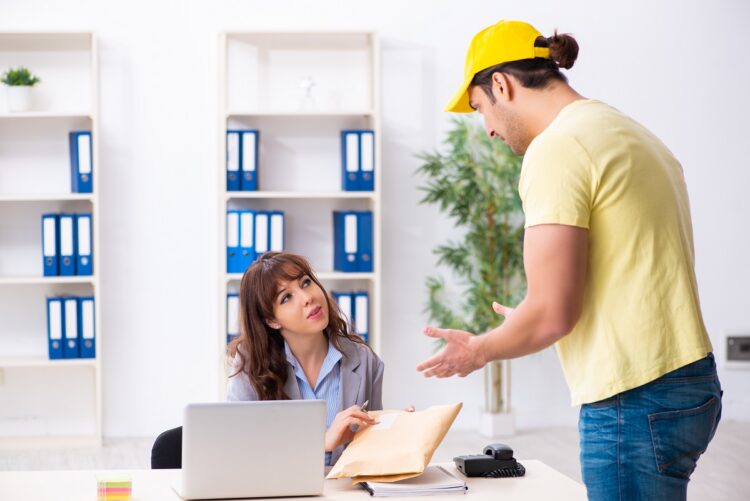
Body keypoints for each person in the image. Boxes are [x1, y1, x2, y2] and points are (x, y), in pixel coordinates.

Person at [416, 20, 722, 500]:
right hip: (689, 381)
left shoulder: (556, 149)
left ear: (502, 84)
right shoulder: (627, 130)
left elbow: (555, 312)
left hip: (633, 395)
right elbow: (633, 263)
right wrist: (532, 316)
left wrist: (479, 349)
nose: (490, 130)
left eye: (480, 109)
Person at [227, 251, 382, 466]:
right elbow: (237, 449)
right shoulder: (250, 364)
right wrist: (321, 442)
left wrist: (396, 429)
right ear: (271, 320)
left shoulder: (364, 359)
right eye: (286, 297)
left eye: (306, 282)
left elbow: (374, 450)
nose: (307, 298)